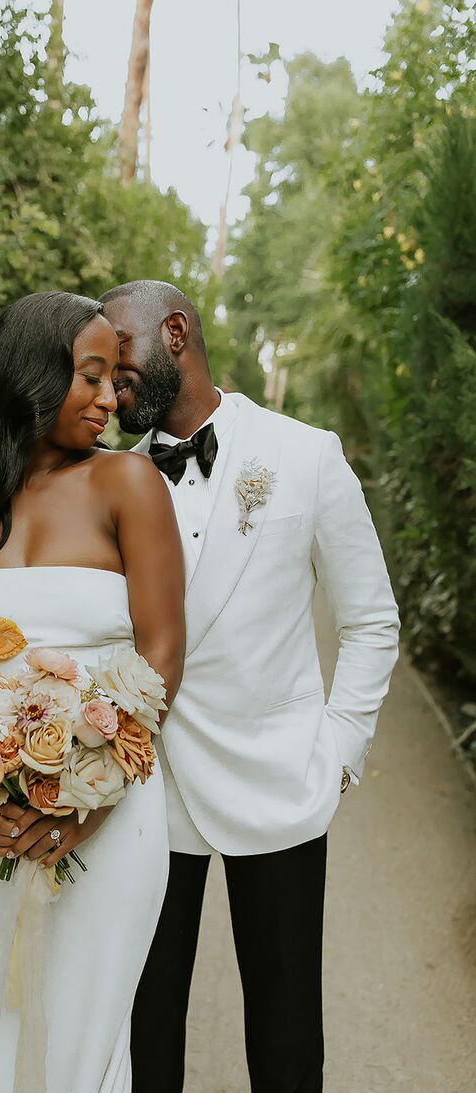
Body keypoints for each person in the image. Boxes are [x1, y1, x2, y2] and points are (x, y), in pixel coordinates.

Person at [98, 279, 400, 1093]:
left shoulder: (306, 454)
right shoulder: (109, 484)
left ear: (174, 333)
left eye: (117, 357)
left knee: (287, 1035)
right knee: (142, 1028)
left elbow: (371, 620)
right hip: (146, 797)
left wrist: (338, 749)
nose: (107, 381)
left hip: (281, 784)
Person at [0, 291, 185, 1093]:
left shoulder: (128, 484)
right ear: (30, 374)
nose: (110, 398)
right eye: (90, 376)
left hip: (111, 800)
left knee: (88, 1023)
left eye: (115, 380)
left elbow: (159, 650)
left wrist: (88, 791)